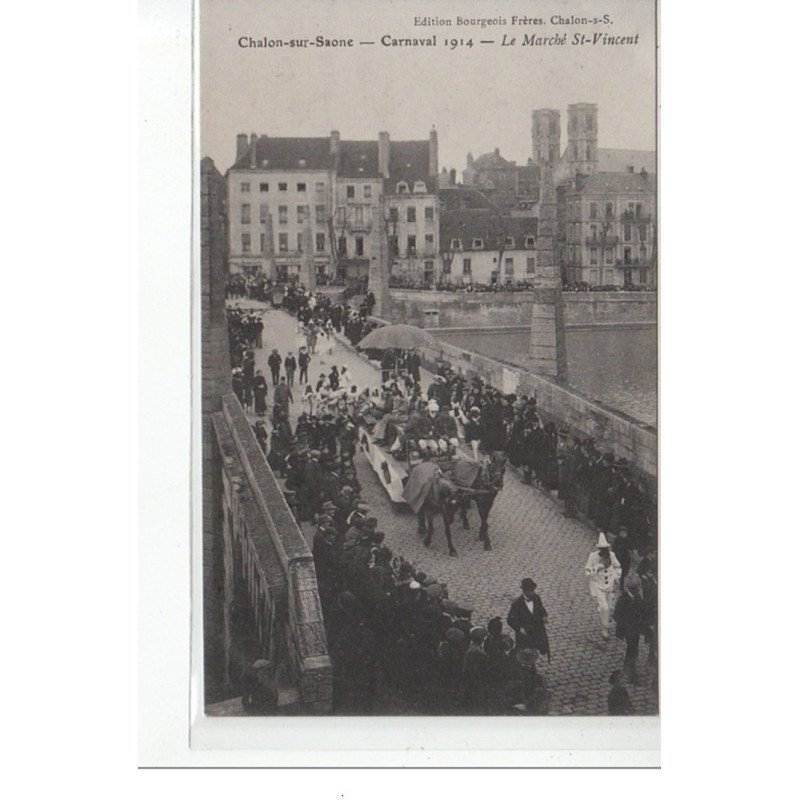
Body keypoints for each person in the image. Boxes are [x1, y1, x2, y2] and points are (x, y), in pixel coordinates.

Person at [584, 532, 622, 639]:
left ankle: (604, 617)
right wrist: (597, 567)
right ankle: (604, 628)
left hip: (609, 585)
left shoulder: (612, 555)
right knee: (604, 607)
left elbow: (618, 566)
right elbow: (587, 572)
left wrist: (617, 577)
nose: (605, 551)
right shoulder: (593, 557)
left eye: (606, 549)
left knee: (610, 607)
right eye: (602, 549)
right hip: (598, 586)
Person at [613, 573, 649, 683]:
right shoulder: (623, 600)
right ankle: (631, 672)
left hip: (636, 629)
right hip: (628, 630)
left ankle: (628, 667)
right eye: (636, 588)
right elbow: (617, 615)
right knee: (632, 649)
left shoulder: (638, 597)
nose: (638, 590)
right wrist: (625, 626)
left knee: (633, 649)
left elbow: (643, 611)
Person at [506, 578, 550, 661]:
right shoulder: (517, 603)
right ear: (524, 591)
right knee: (523, 653)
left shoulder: (536, 598)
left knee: (534, 651)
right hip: (524, 634)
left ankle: (532, 667)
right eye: (530, 591)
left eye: (533, 590)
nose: (532, 593)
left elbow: (541, 609)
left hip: (535, 631)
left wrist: (544, 616)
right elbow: (510, 619)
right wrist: (519, 629)